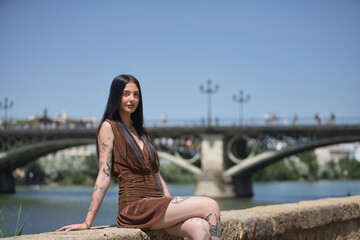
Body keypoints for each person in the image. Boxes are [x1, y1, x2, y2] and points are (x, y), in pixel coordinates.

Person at [56, 74, 221, 239]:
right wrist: (87, 222)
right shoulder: (109, 127)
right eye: (126, 94)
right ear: (116, 96)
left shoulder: (142, 133)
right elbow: (103, 177)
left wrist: (171, 203)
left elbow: (156, 176)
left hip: (157, 205)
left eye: (136, 94)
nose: (132, 99)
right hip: (135, 208)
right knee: (210, 205)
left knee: (200, 227)